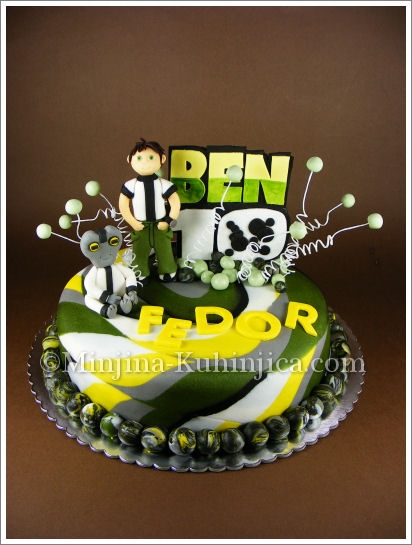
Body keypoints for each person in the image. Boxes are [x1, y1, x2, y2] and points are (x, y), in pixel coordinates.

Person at [119, 139, 181, 281]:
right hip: (141, 226)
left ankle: (167, 271)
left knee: (165, 250)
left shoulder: (163, 184)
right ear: (129, 160)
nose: (145, 162)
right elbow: (123, 205)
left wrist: (168, 220)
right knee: (139, 251)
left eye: (151, 157)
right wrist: (132, 222)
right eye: (139, 158)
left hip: (160, 225)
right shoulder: (130, 185)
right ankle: (140, 273)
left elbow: (175, 202)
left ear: (162, 159)